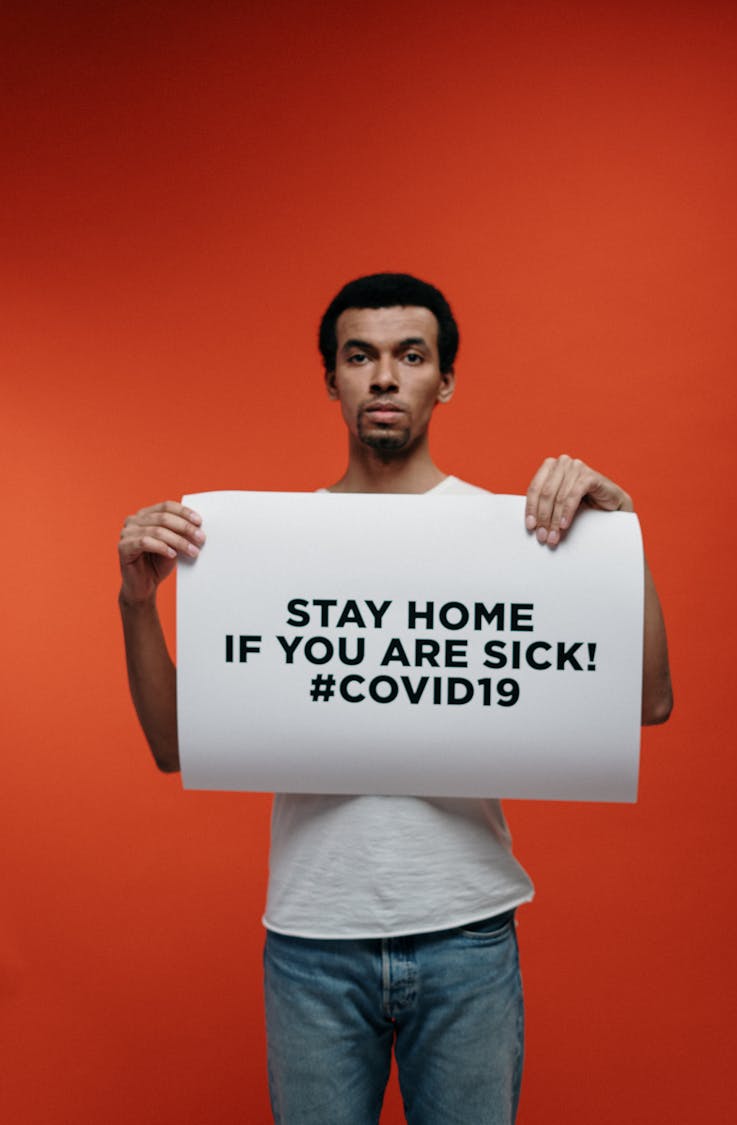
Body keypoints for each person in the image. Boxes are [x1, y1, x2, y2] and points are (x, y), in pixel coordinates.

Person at [118, 273, 672, 1125]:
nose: (384, 376)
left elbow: (647, 700)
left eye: (410, 356)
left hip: (468, 936)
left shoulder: (520, 533)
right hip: (310, 943)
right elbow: (174, 745)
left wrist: (619, 539)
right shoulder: (264, 547)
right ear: (332, 378)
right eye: (360, 356)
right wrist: (137, 601)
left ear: (443, 379)